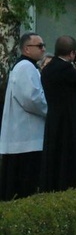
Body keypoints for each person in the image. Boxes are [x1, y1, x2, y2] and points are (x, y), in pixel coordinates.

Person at [40, 36, 76, 192]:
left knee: (54, 156)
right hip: (70, 120)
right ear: (72, 54)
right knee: (70, 156)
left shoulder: (47, 69)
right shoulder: (67, 70)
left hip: (53, 118)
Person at [0, 32, 48, 200]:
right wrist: (50, 111)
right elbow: (32, 98)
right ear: (27, 49)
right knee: (23, 186)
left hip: (23, 137)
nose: (44, 49)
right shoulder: (26, 67)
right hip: (26, 137)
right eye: (40, 46)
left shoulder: (26, 66)